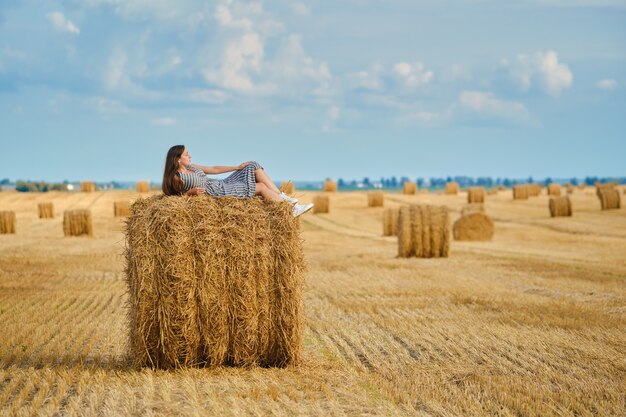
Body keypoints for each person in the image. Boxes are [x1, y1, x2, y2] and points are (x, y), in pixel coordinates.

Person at [162, 145, 314, 217]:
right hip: (217, 192)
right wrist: (191, 192)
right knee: (260, 187)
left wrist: (236, 167)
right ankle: (289, 209)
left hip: (220, 183)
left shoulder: (192, 167)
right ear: (177, 159)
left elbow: (214, 169)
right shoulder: (177, 177)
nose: (190, 156)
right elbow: (175, 198)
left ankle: (283, 197)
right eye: (186, 154)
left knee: (252, 165)